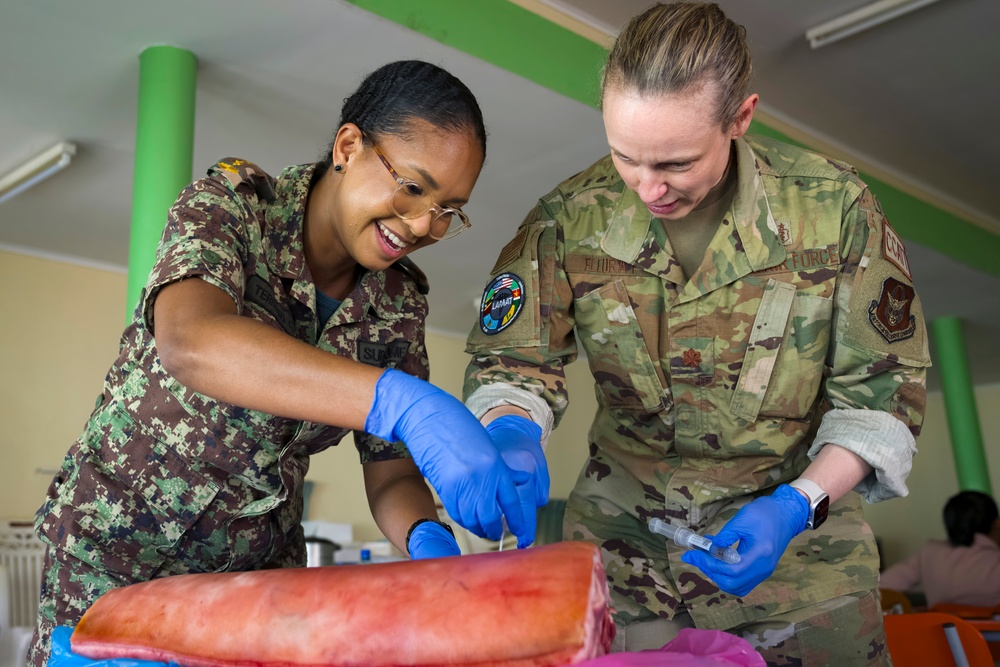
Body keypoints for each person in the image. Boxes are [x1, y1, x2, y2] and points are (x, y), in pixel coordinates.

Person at [29, 59, 548, 667]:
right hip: (119, 558)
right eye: (412, 187)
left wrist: (425, 539)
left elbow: (390, 472)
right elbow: (192, 340)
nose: (422, 226)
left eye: (448, 209)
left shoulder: (399, 302)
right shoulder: (232, 208)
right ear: (349, 146)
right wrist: (396, 400)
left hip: (256, 583)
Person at [462, 3, 930, 664]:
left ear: (740, 118)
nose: (648, 188)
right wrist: (511, 427)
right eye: (626, 157)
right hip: (630, 566)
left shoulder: (834, 212)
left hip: (801, 568)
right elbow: (511, 361)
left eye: (676, 164)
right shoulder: (569, 220)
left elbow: (881, 398)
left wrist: (798, 504)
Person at [880, 490, 1000, 608]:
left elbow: (882, 586)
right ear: (996, 523)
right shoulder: (995, 559)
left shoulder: (930, 552)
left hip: (943, 626)